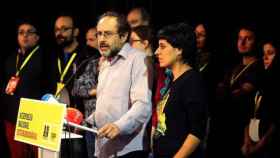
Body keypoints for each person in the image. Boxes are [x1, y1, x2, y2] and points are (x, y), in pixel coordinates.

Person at [94, 11, 152, 158]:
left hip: (128, 150)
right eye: (99, 34)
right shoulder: (105, 62)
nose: (101, 39)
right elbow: (108, 104)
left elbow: (143, 105)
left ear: (123, 36)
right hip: (103, 148)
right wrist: (87, 121)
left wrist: (119, 126)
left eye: (107, 34)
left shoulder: (138, 60)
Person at [152, 22, 208, 158]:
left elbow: (197, 131)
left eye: (162, 47)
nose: (156, 52)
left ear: (179, 50)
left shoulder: (192, 81)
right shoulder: (173, 80)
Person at [2, 19, 54, 158]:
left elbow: (50, 87)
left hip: (36, 116)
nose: (25, 36)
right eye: (21, 32)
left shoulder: (46, 57)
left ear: (37, 37)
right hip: (12, 116)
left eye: (29, 32)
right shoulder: (12, 58)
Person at [214, 25, 260, 158]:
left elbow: (240, 95)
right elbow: (220, 92)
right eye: (240, 38)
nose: (242, 42)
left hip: (247, 128)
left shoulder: (258, 67)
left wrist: (227, 91)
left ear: (256, 42)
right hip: (227, 126)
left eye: (248, 39)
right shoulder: (234, 67)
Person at [241, 40, 279, 158]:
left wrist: (259, 146)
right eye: (263, 53)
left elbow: (276, 121)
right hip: (253, 140)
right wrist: (247, 141)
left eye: (270, 53)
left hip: (267, 146)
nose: (265, 57)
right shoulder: (261, 80)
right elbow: (249, 112)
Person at [71, 26, 100, 158]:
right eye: (86, 40)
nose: (87, 44)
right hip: (90, 126)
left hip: (108, 127)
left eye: (91, 39)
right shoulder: (91, 63)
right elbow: (75, 89)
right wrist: (95, 91)